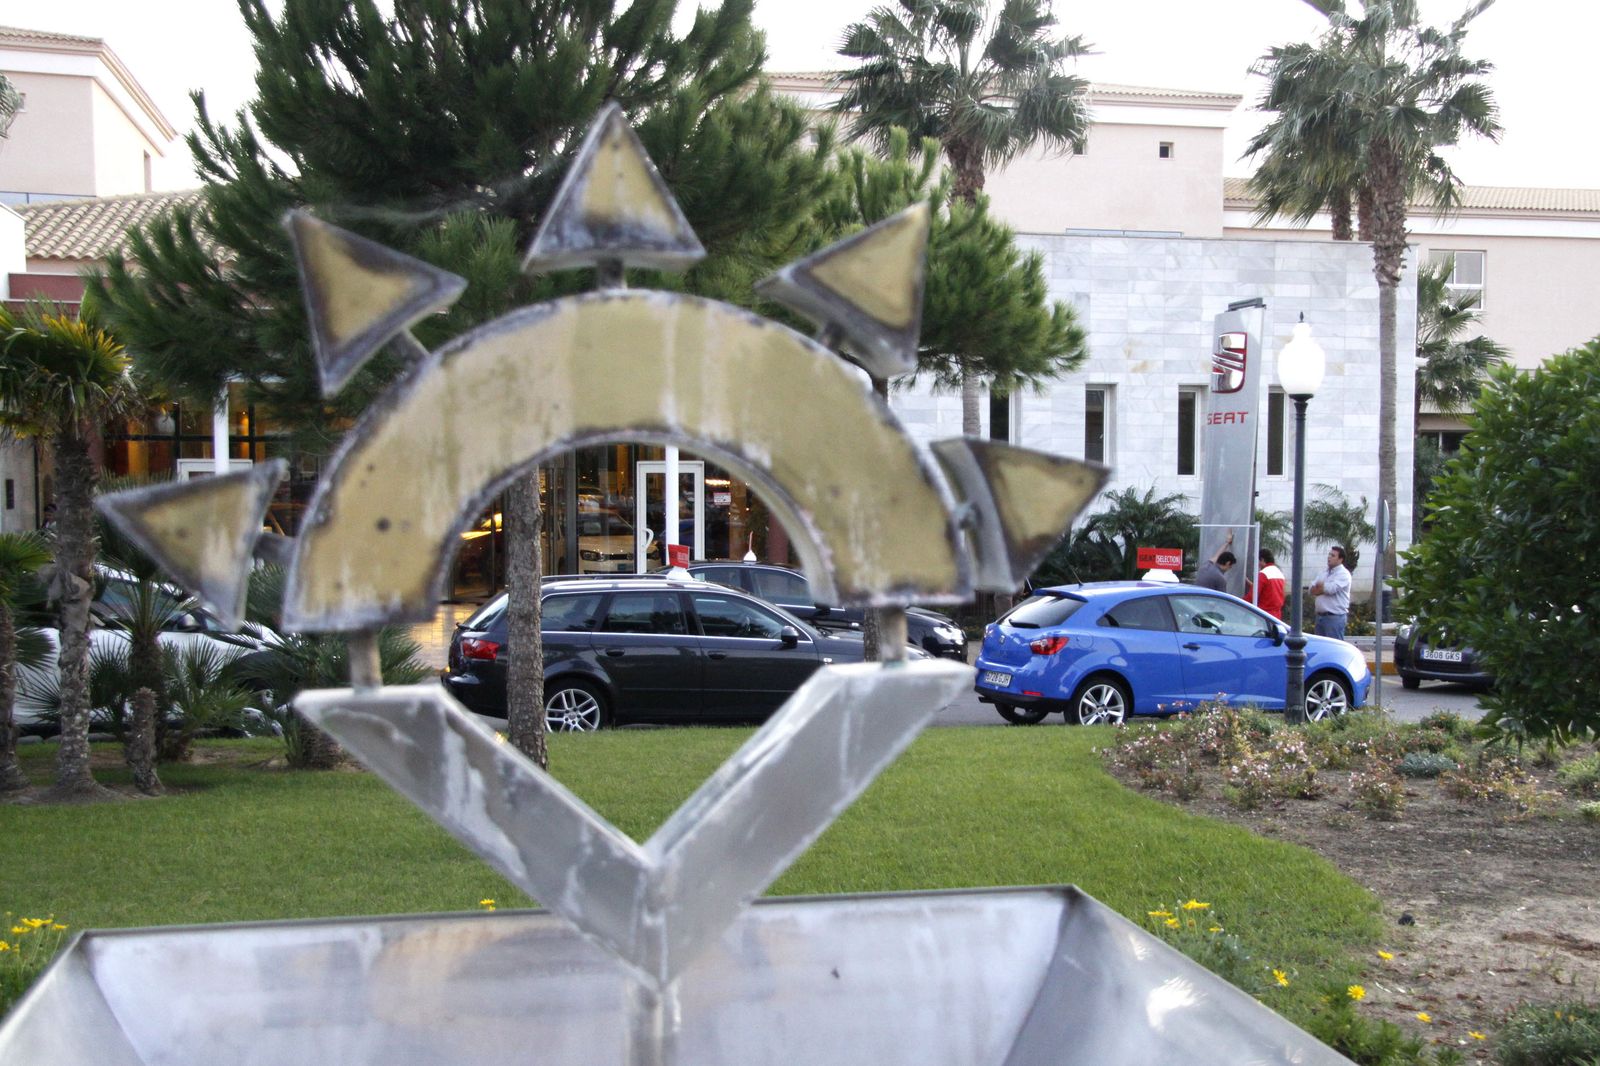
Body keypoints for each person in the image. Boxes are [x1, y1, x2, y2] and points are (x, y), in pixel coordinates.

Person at [1309, 544, 1352, 639]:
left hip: (1334, 618)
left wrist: (1320, 588)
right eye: (1329, 554)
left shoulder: (1344, 574)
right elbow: (1311, 589)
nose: (1329, 557)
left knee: (1335, 648)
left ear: (1340, 559)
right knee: (1321, 647)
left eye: (1333, 556)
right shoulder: (1323, 572)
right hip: (1320, 617)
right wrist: (1320, 588)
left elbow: (1331, 589)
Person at [1251, 548, 1286, 620]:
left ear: (1263, 560)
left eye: (1258, 561)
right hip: (1277, 614)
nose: (1258, 564)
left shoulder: (1263, 574)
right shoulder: (1279, 573)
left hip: (1263, 614)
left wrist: (1239, 602)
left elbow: (1253, 595)